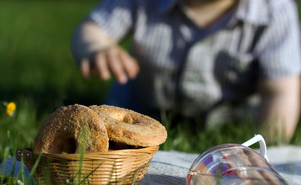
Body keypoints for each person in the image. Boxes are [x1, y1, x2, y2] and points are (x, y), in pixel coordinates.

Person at [71, 0, 301, 143]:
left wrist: (268, 147)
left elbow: (280, 91)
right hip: (139, 109)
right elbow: (91, 29)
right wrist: (97, 47)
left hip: (229, 120)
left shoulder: (274, 12)